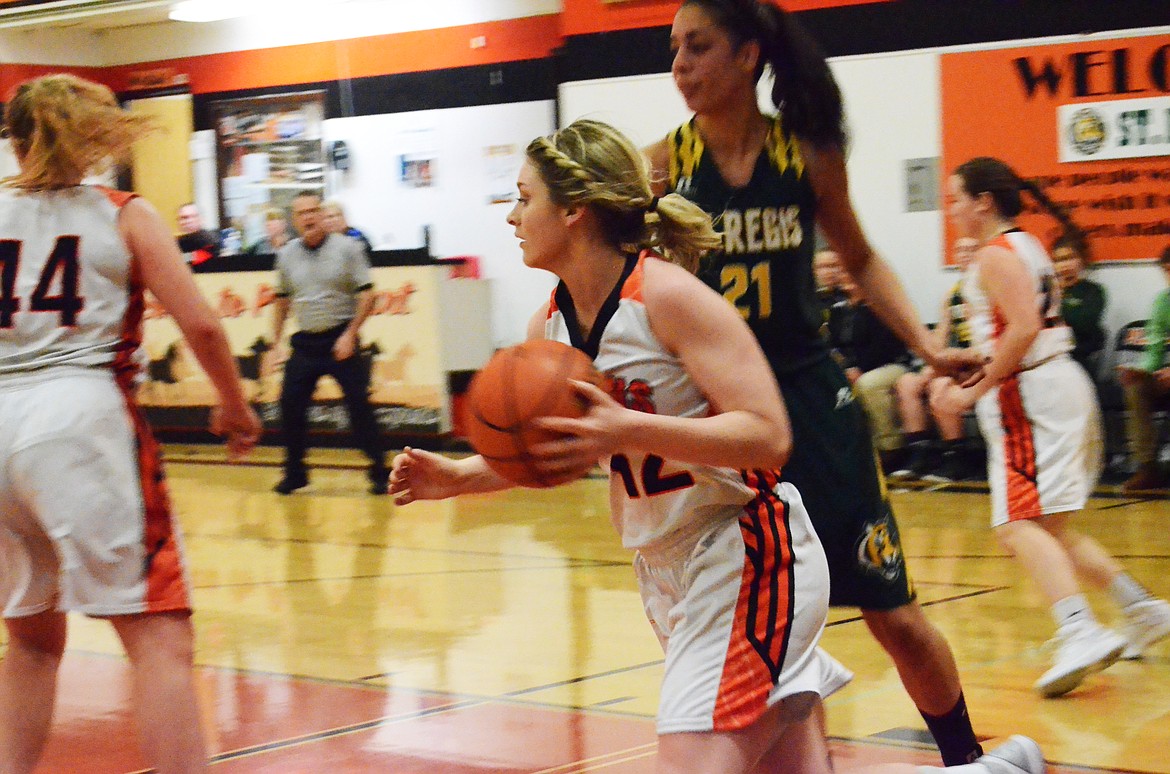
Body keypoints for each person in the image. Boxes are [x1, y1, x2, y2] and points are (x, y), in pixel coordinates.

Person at [390, 118, 1044, 774]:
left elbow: (769, 436)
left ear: (573, 212)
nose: (511, 216)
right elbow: (558, 447)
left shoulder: (669, 297)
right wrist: (456, 477)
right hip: (664, 571)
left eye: (523, 197)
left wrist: (629, 428)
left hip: (746, 553)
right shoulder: (552, 324)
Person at [644, 1, 988, 764]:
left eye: (698, 47)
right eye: (673, 50)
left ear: (748, 56)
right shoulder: (661, 166)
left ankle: (968, 759)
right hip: (722, 417)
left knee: (892, 615)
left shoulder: (804, 153)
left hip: (808, 398)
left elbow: (859, 259)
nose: (680, 65)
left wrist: (929, 349)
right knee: (774, 629)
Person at [0, 74, 261, 774]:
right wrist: (235, 406)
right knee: (162, 641)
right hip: (79, 419)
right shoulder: (122, 211)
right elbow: (202, 325)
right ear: (96, 136)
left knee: (29, 642)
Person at [933, 156, 1170, 697]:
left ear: (983, 203)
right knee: (1052, 530)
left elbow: (1020, 332)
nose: (951, 210)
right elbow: (1016, 332)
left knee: (1016, 526)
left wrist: (971, 393)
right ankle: (1143, 610)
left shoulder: (995, 254)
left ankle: (1079, 629)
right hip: (1051, 384)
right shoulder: (1027, 245)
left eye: (954, 199)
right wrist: (959, 362)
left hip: (1033, 396)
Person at [267, 190, 388, 495]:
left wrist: (350, 334)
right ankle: (296, 473)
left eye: (313, 211)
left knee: (358, 406)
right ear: (294, 220)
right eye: (301, 213)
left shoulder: (349, 248)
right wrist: (274, 343)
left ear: (322, 214)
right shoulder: (286, 255)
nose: (308, 217)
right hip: (305, 343)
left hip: (340, 340)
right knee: (289, 405)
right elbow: (281, 301)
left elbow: (367, 295)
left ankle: (379, 469)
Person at [891, 237, 980, 483]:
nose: (965, 254)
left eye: (972, 249)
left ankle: (956, 457)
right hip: (958, 362)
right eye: (960, 250)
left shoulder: (988, 288)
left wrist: (954, 361)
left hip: (982, 364)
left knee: (940, 387)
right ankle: (920, 454)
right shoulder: (952, 294)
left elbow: (988, 343)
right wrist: (932, 360)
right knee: (908, 382)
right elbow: (940, 339)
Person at [826, 273, 912, 462]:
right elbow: (833, 344)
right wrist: (844, 367)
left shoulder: (882, 307)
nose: (846, 277)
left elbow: (886, 346)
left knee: (868, 384)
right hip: (851, 368)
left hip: (892, 364)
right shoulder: (838, 310)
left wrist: (859, 368)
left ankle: (890, 448)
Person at [1116, 244, 1170, 492]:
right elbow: (1155, 350)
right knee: (1136, 387)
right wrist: (1142, 370)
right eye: (1167, 271)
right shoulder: (1163, 303)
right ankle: (1147, 468)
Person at [1051, 233, 1106, 377]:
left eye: (1070, 258)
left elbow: (1085, 322)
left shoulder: (1093, 291)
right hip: (1052, 357)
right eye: (1058, 260)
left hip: (1081, 356)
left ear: (1081, 260)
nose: (1064, 265)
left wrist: (1060, 308)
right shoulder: (1049, 290)